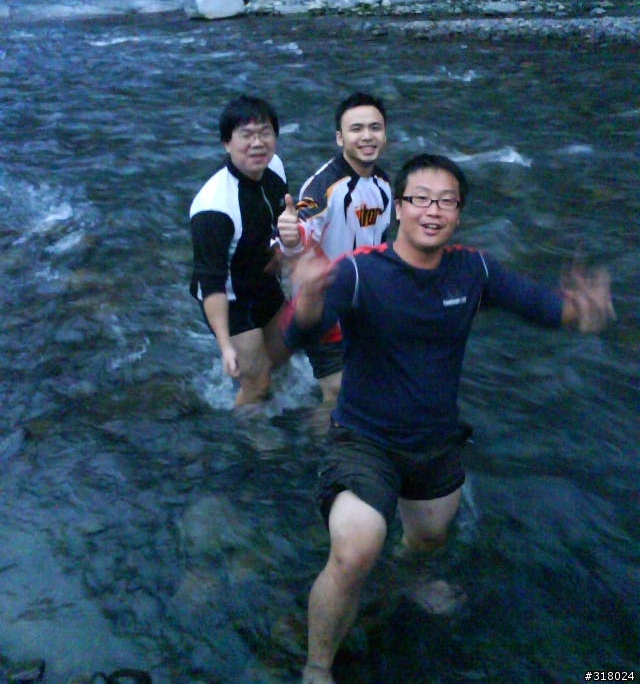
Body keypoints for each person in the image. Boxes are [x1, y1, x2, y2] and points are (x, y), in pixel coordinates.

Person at [281, 153, 615, 684]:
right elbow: (298, 335)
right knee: (354, 552)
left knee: (429, 539)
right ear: (398, 208)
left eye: (446, 201)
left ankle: (407, 578)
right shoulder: (360, 271)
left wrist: (583, 312)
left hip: (434, 443)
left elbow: (543, 307)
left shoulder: (473, 270)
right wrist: (307, 301)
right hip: (364, 439)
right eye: (420, 199)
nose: (432, 210)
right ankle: (317, 667)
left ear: (458, 213)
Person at [277, 91, 391, 406]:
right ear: (340, 138)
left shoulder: (384, 183)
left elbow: (382, 242)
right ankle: (322, 438)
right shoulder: (324, 186)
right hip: (324, 303)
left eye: (375, 128)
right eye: (356, 129)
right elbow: (300, 227)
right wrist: (290, 236)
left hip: (365, 302)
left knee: (363, 386)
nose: (367, 136)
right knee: (338, 392)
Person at [189, 95, 291, 407]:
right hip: (230, 299)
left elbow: (277, 221)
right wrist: (225, 347)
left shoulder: (275, 168)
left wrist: (283, 254)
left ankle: (252, 381)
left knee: (283, 359)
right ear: (226, 143)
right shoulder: (213, 207)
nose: (257, 143)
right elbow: (211, 284)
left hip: (264, 282)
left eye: (265, 132)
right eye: (246, 135)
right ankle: (246, 433)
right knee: (257, 385)